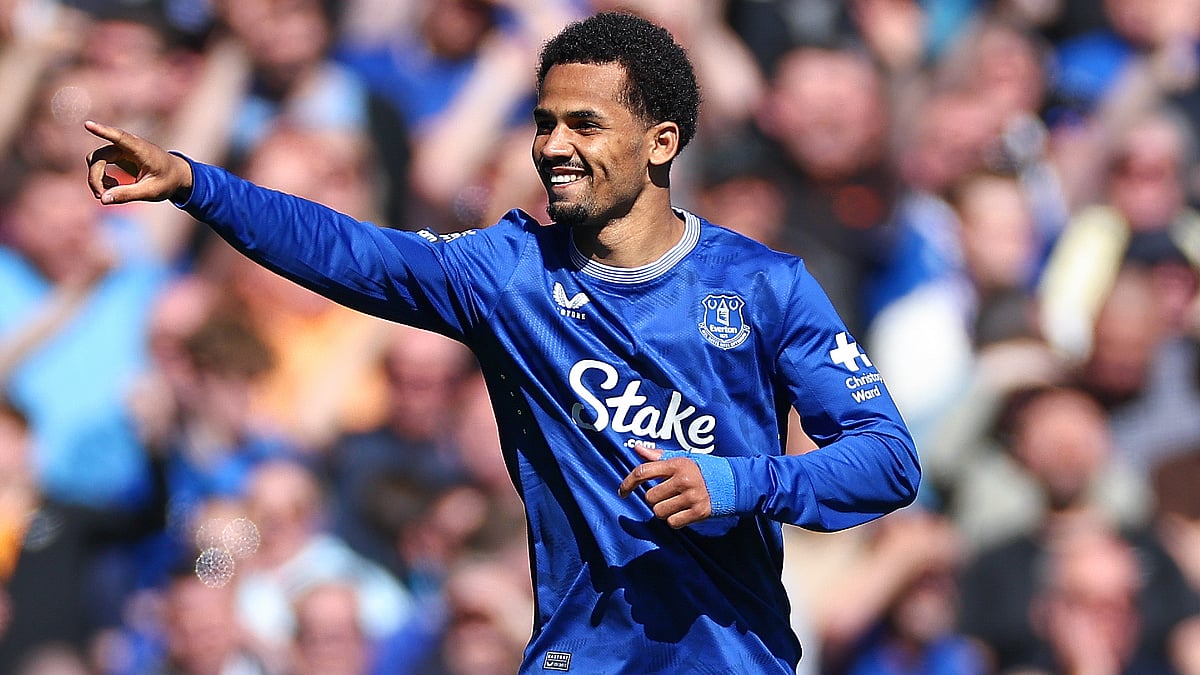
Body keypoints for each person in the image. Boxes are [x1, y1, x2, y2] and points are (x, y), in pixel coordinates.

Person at [83, 11, 920, 673]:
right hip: (577, 657)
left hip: (731, 657)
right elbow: (350, 252)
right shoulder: (508, 273)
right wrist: (198, 184)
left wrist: (738, 480)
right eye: (545, 122)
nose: (554, 146)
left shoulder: (764, 285)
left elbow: (888, 460)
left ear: (661, 141)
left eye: (585, 124)